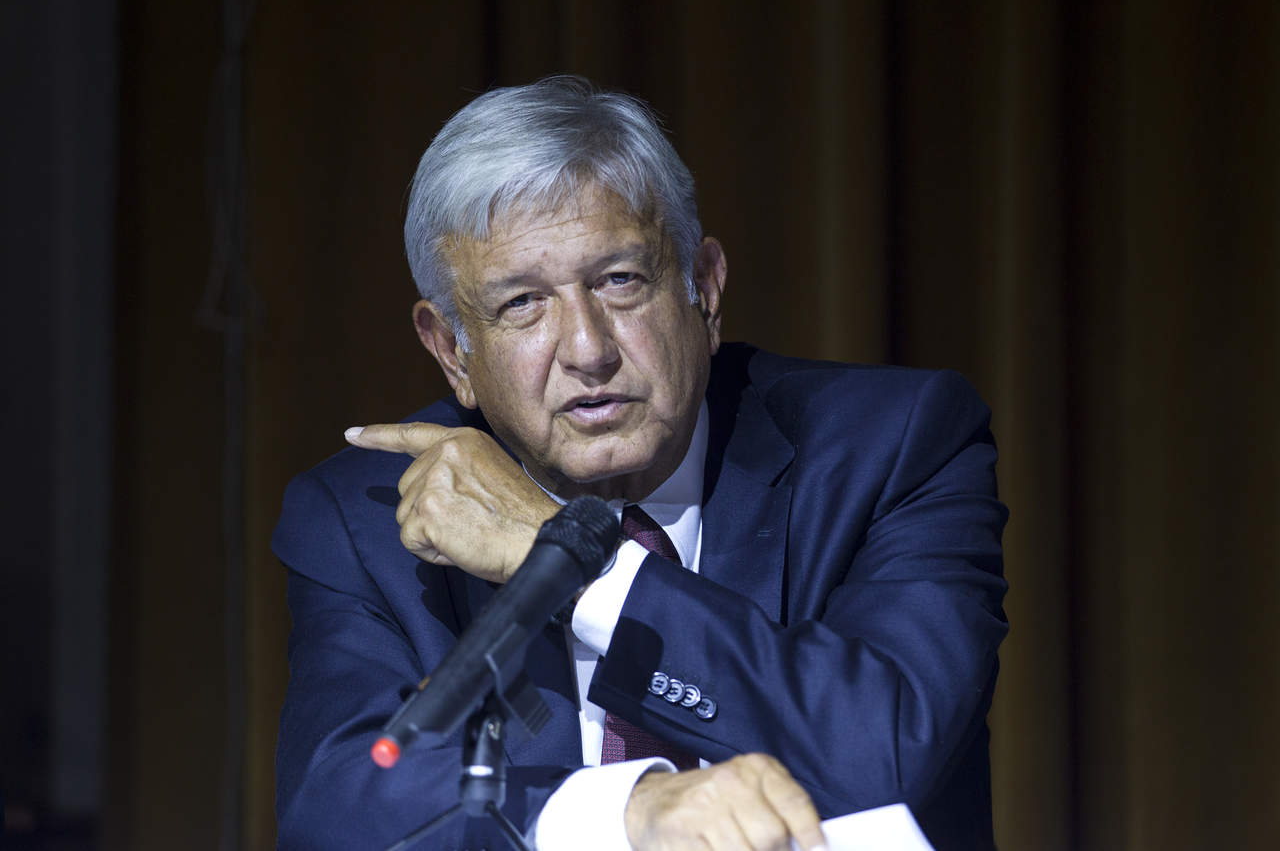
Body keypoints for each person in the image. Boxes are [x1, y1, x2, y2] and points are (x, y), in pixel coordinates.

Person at [272, 76, 1008, 851]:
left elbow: (884, 750)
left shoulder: (891, 447)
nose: (588, 349)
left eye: (620, 280)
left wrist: (570, 562)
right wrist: (624, 812)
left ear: (705, 291)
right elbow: (337, 805)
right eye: (522, 303)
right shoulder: (373, 518)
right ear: (452, 350)